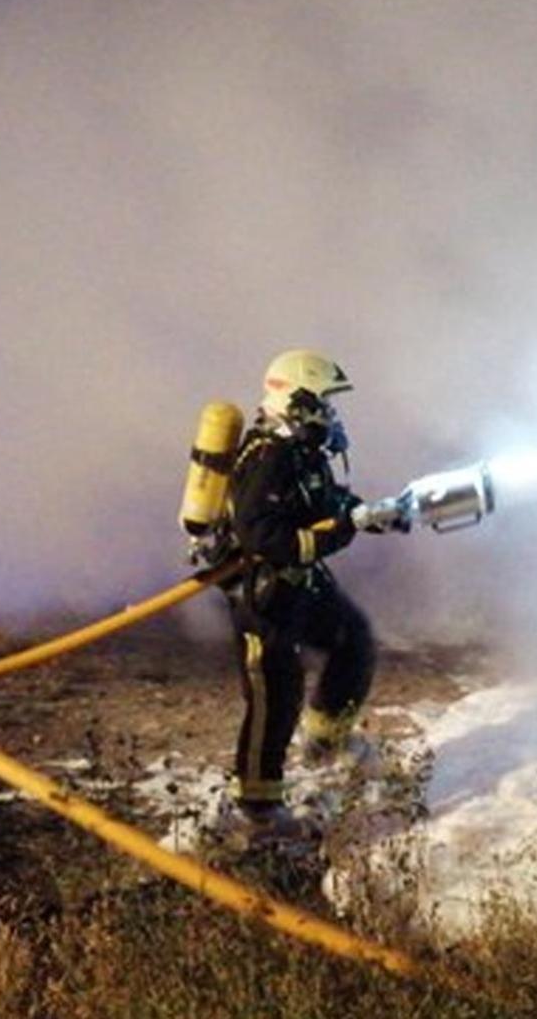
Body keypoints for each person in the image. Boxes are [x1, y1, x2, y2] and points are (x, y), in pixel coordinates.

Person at [219, 348, 397, 842]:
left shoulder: (301, 452)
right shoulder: (267, 456)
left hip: (301, 585)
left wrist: (375, 513)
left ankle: (325, 743)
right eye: (323, 401)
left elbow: (325, 501)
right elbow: (259, 534)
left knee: (353, 640)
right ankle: (256, 814)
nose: (330, 413)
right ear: (296, 398)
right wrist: (337, 533)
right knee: (275, 697)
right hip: (264, 600)